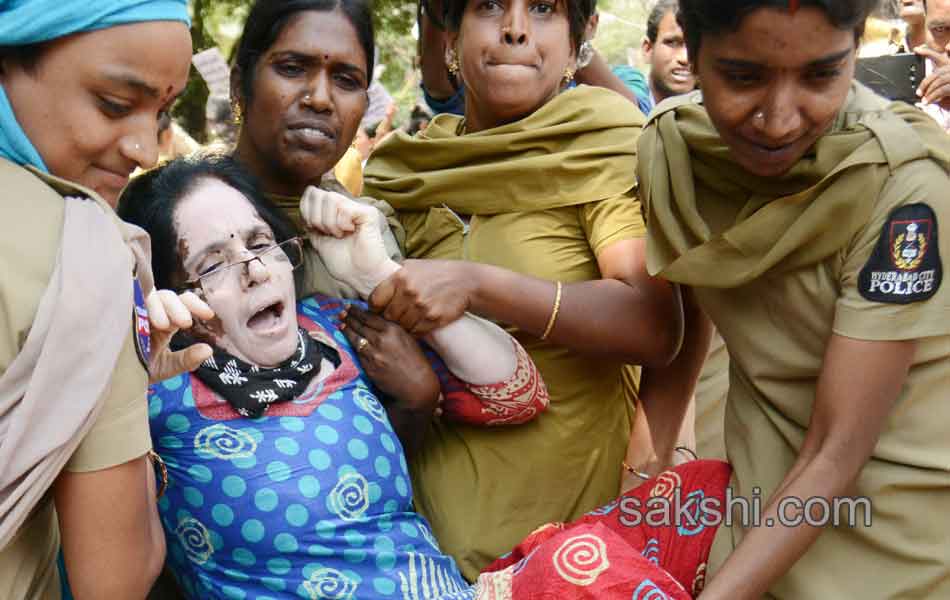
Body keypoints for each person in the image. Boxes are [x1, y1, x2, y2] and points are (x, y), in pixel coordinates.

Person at [120, 153, 730, 600]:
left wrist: (377, 274)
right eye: (213, 264)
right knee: (586, 563)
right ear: (175, 294)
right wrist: (137, 362)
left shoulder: (334, 328)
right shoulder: (153, 388)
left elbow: (516, 392)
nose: (253, 271)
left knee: (705, 494)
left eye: (260, 244)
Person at [357, 0, 687, 579]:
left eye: (542, 9)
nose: (514, 28)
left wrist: (481, 286)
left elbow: (655, 326)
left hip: (569, 556)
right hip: (415, 553)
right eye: (489, 7)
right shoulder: (407, 167)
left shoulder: (603, 145)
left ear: (580, 37)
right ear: (451, 37)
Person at [637, 0, 950, 597]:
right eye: (744, 77)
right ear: (692, 54)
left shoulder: (905, 187)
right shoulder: (673, 153)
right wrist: (650, 481)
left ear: (855, 50)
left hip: (904, 555)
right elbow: (688, 323)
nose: (779, 120)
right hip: (754, 530)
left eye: (820, 75)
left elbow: (836, 450)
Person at [0, 1, 215, 598]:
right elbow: (116, 578)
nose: (146, 150)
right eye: (115, 104)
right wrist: (121, 384)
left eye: (163, 111)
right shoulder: (84, 257)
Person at [641, 0, 697, 109]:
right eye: (673, 43)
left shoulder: (717, 116)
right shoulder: (627, 105)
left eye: (694, 45)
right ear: (648, 49)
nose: (685, 58)